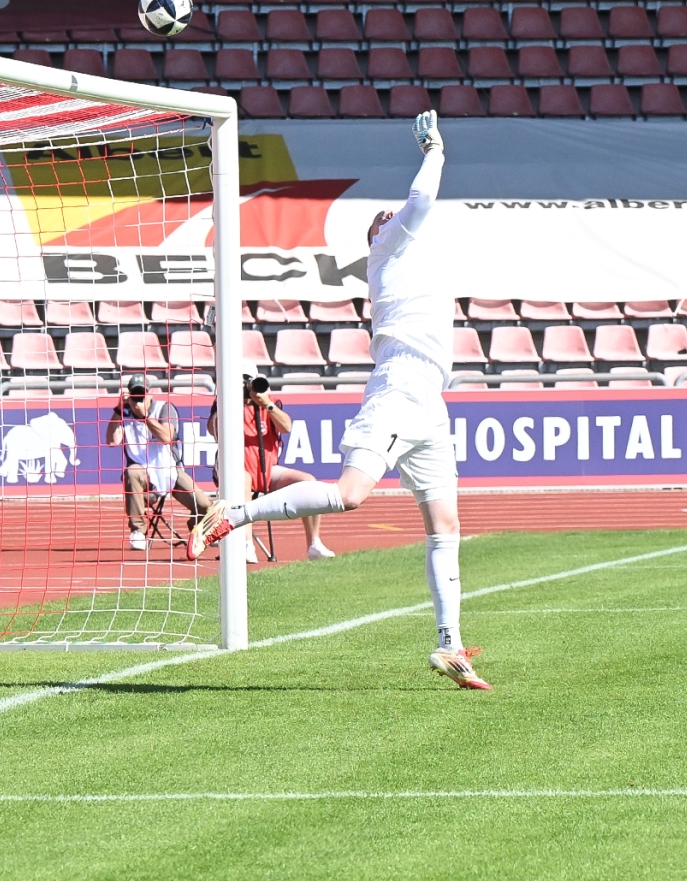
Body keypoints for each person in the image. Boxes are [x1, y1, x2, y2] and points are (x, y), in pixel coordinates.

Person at [191, 111, 490, 690]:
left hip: (429, 400)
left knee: (445, 524)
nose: (385, 217)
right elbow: (421, 201)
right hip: (400, 386)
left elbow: (428, 217)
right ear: (378, 238)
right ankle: (235, 512)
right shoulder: (391, 248)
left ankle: (450, 644)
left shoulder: (419, 256)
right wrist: (435, 150)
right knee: (349, 495)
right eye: (378, 221)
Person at [207, 375, 335, 562]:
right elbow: (214, 431)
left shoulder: (270, 402)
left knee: (308, 482)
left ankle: (314, 543)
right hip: (234, 471)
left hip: (265, 469)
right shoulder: (224, 404)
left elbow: (286, 427)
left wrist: (267, 404)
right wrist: (230, 402)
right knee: (243, 480)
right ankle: (246, 544)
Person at [104, 375, 210, 552]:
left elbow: (166, 437)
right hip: (142, 474)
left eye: (142, 394)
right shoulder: (124, 413)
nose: (139, 399)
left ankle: (196, 529)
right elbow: (112, 441)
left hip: (170, 470)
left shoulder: (164, 408)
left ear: (150, 393)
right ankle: (138, 531)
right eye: (135, 395)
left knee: (205, 506)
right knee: (131, 472)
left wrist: (144, 417)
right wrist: (118, 409)